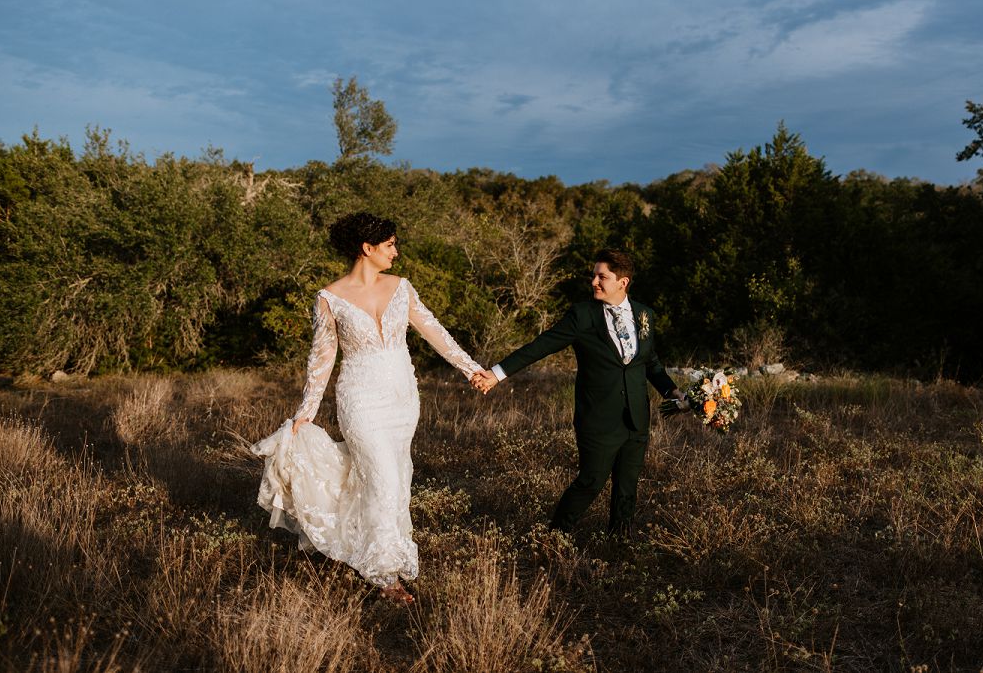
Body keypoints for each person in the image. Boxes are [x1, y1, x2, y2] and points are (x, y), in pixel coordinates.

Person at [251, 212, 483, 604]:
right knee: (382, 479)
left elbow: (436, 333)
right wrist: (306, 412)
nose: (396, 251)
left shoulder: (401, 287)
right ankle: (385, 574)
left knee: (397, 478)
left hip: (402, 398)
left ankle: (374, 547)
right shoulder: (329, 298)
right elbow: (321, 359)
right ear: (367, 248)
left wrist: (472, 370)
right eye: (390, 244)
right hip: (360, 399)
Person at [473, 249, 682, 536]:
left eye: (602, 277)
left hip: (636, 417)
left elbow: (650, 362)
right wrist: (497, 374)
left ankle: (618, 543)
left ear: (623, 282)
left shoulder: (645, 315)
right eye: (594, 275)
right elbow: (541, 346)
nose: (594, 282)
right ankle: (554, 537)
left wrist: (673, 391)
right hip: (597, 417)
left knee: (627, 486)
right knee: (591, 481)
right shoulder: (582, 315)